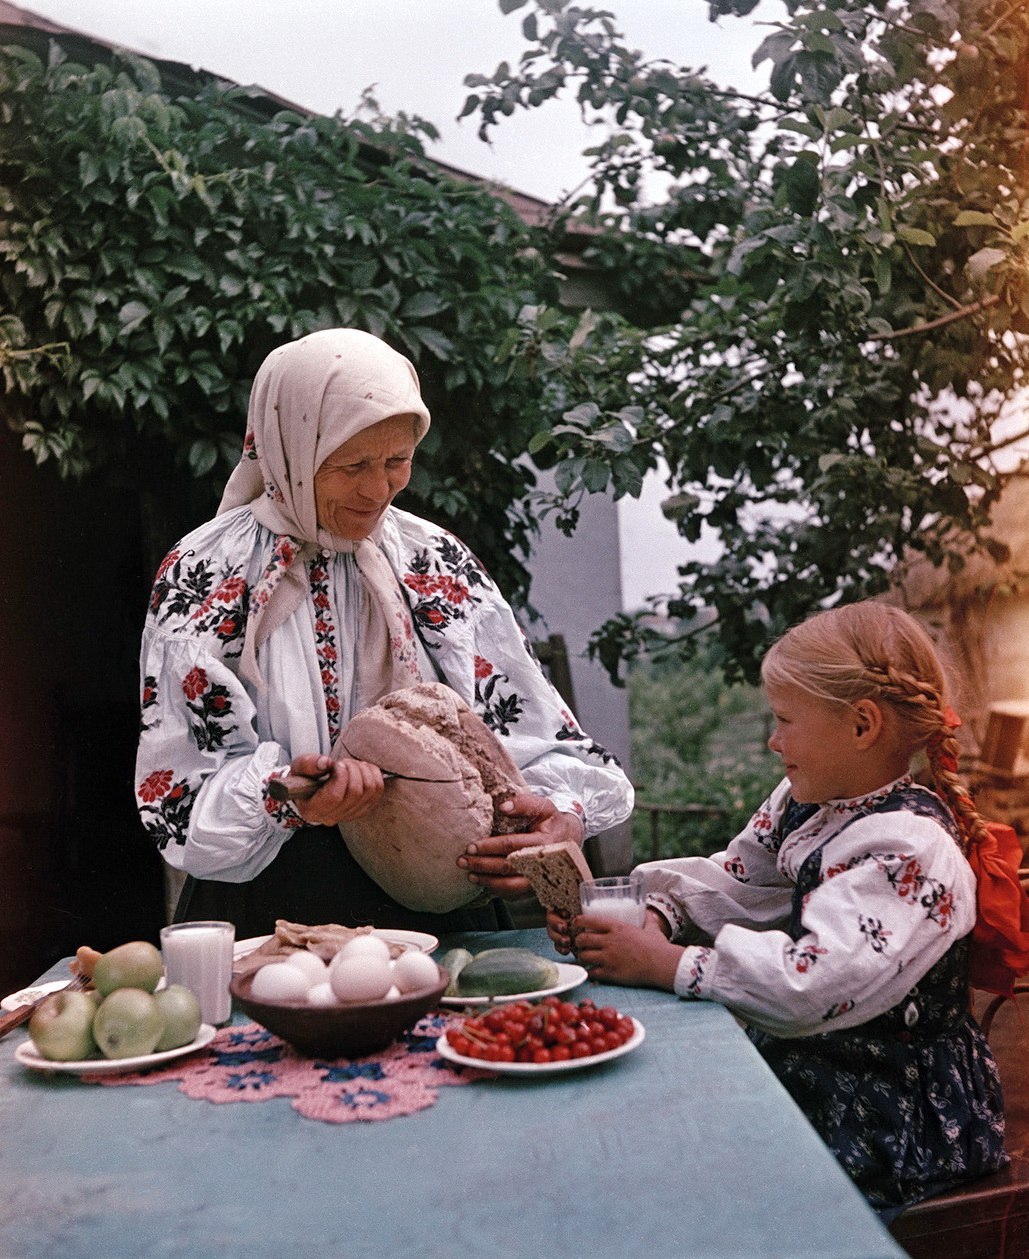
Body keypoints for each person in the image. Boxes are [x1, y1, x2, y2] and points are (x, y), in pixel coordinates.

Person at [135, 327, 633, 938]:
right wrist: (286, 796)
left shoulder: (433, 560)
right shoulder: (206, 574)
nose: (379, 489)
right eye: (352, 466)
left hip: (444, 902)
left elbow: (533, 738)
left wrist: (559, 815)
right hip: (273, 909)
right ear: (291, 449)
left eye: (398, 461)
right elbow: (180, 793)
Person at [548, 601, 1006, 1214]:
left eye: (785, 719)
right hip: (818, 1057)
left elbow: (809, 985)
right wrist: (658, 914)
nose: (772, 739)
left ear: (862, 725)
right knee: (645, 1114)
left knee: (696, 1172)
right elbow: (737, 882)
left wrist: (669, 964)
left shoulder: (910, 849)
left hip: (892, 1107)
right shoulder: (808, 798)